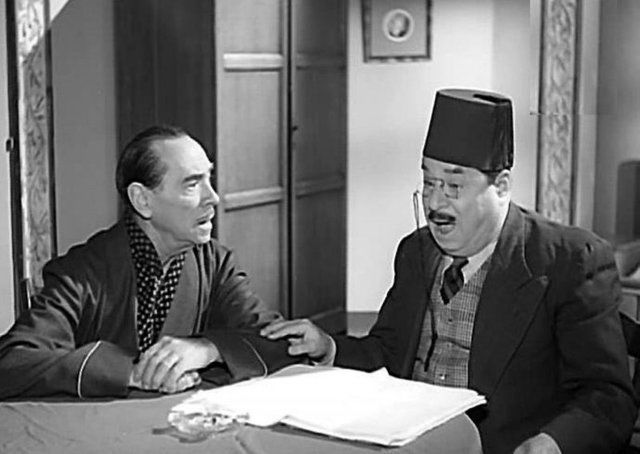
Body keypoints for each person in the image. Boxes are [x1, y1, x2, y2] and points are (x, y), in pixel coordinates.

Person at [262, 89, 637, 453]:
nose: (434, 203)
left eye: (454, 186)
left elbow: (607, 397)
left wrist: (551, 444)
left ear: (501, 186)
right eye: (428, 182)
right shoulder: (416, 252)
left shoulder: (568, 261)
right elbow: (388, 353)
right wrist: (328, 347)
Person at [0, 125, 296, 399]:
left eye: (209, 179)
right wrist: (131, 373)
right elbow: (13, 361)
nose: (214, 198)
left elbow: (275, 338)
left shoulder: (215, 264)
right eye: (193, 184)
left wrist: (208, 349)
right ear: (142, 200)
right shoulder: (83, 273)